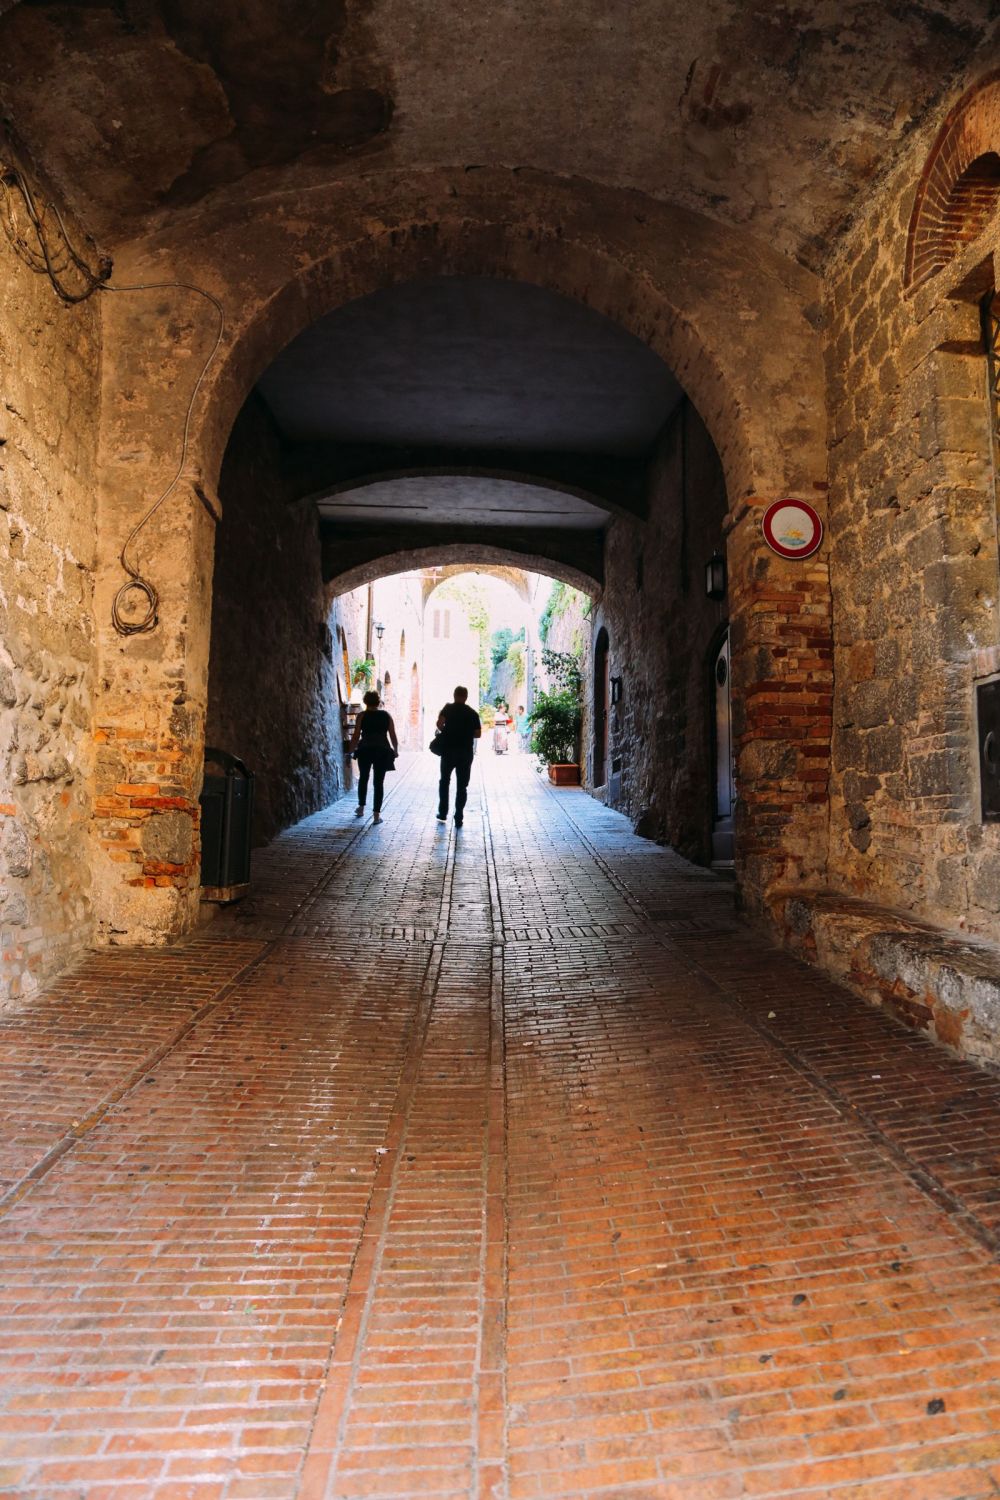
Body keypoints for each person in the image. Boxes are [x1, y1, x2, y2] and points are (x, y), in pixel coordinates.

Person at [350, 689, 399, 824]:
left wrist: (351, 750)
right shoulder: (386, 716)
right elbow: (393, 735)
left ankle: (361, 807)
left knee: (363, 778)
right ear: (378, 702)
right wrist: (395, 750)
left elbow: (356, 735)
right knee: (378, 783)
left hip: (365, 749)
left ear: (365, 702)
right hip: (382, 750)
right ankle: (376, 815)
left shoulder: (362, 716)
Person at [436, 686, 482, 828]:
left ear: (454, 695)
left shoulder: (448, 708)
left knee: (444, 781)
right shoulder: (472, 713)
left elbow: (439, 724)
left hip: (448, 750)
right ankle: (459, 817)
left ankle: (443, 813)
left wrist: (448, 731)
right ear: (466, 697)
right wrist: (465, 734)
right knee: (462, 786)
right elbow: (478, 734)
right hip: (465, 752)